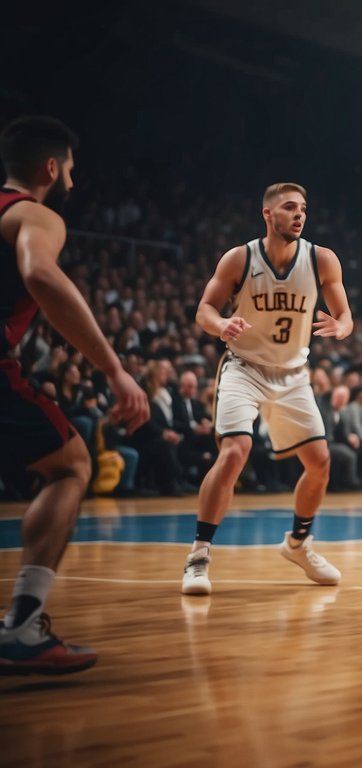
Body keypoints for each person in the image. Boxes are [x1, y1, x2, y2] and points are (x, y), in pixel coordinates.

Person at [0, 115, 149, 674]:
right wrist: (113, 369)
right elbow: (39, 274)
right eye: (71, 171)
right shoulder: (33, 214)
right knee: (69, 464)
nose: (73, 183)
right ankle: (24, 625)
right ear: (51, 167)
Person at [181, 182, 353, 596]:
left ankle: (298, 544)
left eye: (303, 209)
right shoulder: (240, 258)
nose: (299, 214)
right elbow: (204, 309)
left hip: (293, 375)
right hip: (244, 368)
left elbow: (346, 316)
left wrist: (340, 326)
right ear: (267, 214)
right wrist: (221, 324)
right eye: (289, 207)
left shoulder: (322, 259)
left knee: (320, 462)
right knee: (235, 451)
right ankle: (199, 554)